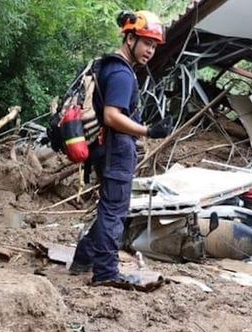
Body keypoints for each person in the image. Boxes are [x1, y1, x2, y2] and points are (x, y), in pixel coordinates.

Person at [69, 10, 173, 287]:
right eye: (146, 42)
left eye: (153, 45)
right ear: (129, 38)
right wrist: (149, 130)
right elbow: (112, 116)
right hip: (115, 150)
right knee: (114, 211)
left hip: (108, 149)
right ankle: (105, 272)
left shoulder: (110, 67)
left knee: (110, 208)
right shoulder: (121, 73)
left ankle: (83, 258)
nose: (150, 50)